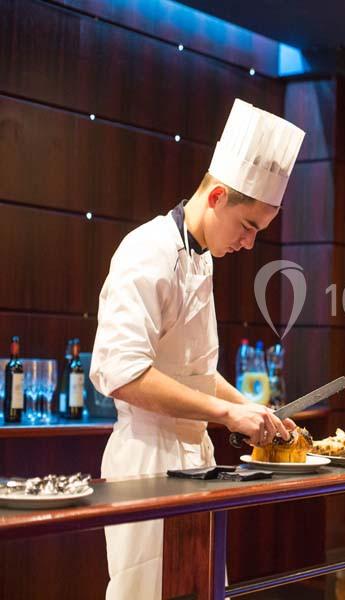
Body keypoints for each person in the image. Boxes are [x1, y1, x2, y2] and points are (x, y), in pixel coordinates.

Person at [90, 99, 305, 600]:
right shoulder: (147, 250)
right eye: (248, 226)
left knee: (202, 589)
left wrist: (252, 410)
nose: (249, 244)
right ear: (217, 196)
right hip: (146, 464)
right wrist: (227, 414)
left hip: (196, 461)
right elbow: (123, 373)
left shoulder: (202, 259)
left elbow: (196, 372)